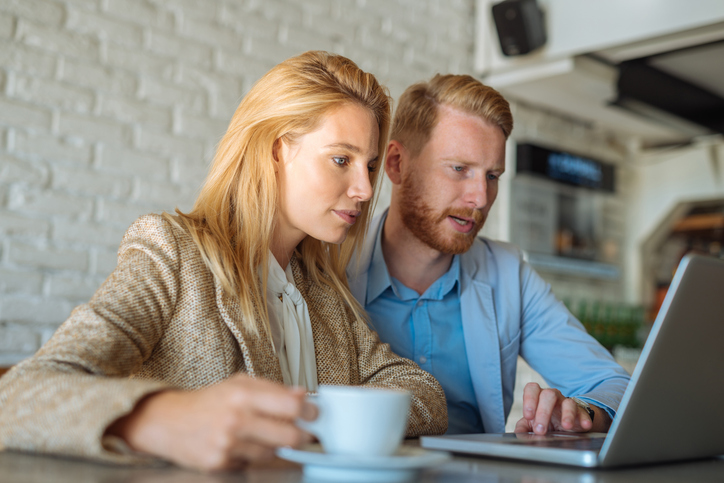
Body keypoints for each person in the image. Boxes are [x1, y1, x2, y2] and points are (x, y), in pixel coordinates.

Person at [0, 51, 447, 471]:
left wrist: (310, 412)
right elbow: (17, 396)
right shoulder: (172, 254)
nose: (365, 190)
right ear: (275, 151)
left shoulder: (324, 291)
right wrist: (158, 418)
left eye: (368, 165)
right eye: (340, 159)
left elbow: (426, 396)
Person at [348, 74, 630, 436]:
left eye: (492, 175)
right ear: (397, 163)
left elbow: (616, 385)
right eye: (459, 169)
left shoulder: (509, 275)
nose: (480, 198)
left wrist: (582, 411)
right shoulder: (328, 268)